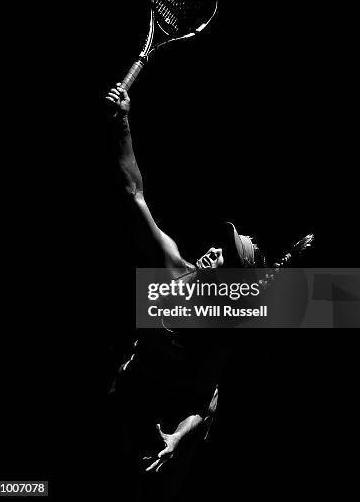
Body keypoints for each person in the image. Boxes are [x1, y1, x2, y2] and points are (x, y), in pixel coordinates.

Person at [104, 83, 312, 500]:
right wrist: (123, 121)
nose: (215, 248)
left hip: (162, 430)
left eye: (227, 256)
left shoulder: (216, 334)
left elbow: (205, 402)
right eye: (223, 244)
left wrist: (177, 440)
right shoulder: (172, 267)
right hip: (125, 393)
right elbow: (134, 194)